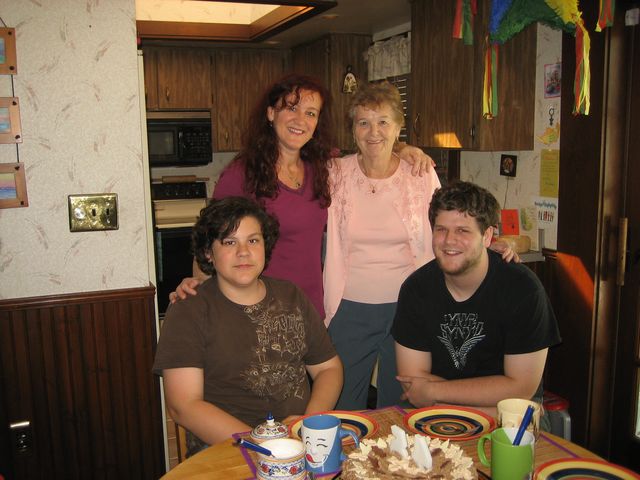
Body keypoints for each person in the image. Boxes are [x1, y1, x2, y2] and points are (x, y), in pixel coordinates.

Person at [171, 73, 432, 317]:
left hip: (312, 308)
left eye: (310, 113)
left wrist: (404, 149)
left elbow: (373, 146)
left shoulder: (323, 167)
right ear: (271, 113)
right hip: (260, 310)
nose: (300, 120)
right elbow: (209, 241)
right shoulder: (242, 174)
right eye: (291, 108)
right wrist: (199, 287)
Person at [153, 197, 342, 456]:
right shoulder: (189, 310)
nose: (244, 252)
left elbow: (328, 368)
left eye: (253, 240)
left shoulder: (291, 296)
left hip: (299, 443)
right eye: (229, 242)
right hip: (227, 449)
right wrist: (265, 445)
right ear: (208, 252)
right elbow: (183, 406)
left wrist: (308, 425)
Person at [322, 80, 442, 410]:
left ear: (398, 127)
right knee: (343, 405)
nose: (373, 132)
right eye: (363, 122)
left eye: (383, 122)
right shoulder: (334, 174)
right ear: (353, 130)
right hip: (348, 307)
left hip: (408, 307)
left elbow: (448, 226)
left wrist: (490, 243)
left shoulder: (421, 174)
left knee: (401, 406)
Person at [392, 181, 561, 415]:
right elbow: (412, 382)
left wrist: (434, 392)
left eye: (463, 230)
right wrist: (489, 406)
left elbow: (521, 388)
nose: (449, 240)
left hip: (505, 423)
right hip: (444, 416)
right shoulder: (416, 289)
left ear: (487, 235)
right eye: (441, 229)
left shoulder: (523, 289)